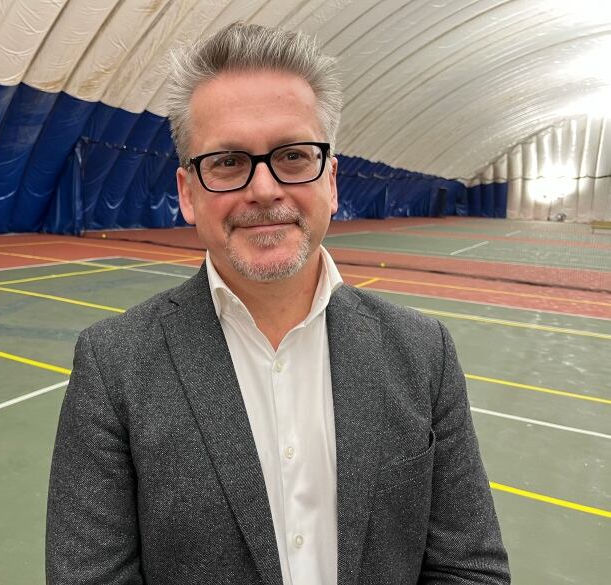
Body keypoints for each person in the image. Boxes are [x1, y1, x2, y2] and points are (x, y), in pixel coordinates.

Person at [46, 22, 509, 585]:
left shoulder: (422, 352)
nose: (264, 190)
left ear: (331, 181)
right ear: (188, 193)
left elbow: (469, 569)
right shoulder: (113, 365)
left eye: (292, 155)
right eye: (227, 162)